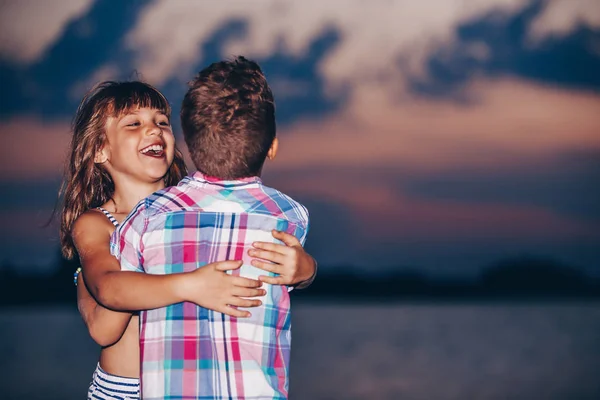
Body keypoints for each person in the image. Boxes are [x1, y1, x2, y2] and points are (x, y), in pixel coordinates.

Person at [60, 81, 317, 399]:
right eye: (134, 123)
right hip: (125, 390)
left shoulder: (197, 215)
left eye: (162, 122)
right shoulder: (97, 223)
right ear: (99, 149)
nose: (154, 129)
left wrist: (304, 271)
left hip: (189, 386)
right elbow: (104, 327)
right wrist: (184, 281)